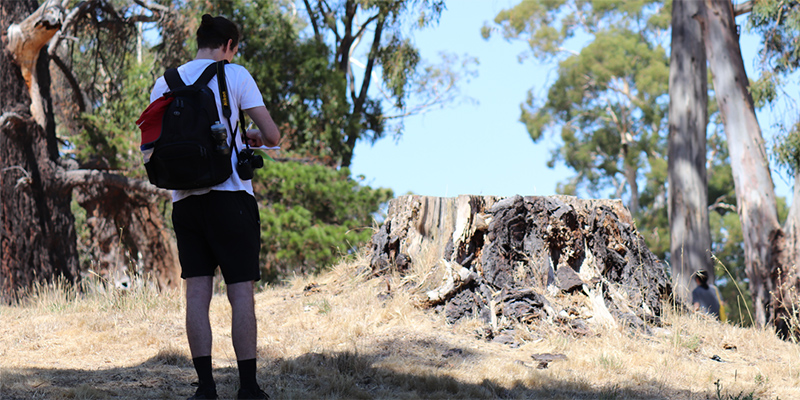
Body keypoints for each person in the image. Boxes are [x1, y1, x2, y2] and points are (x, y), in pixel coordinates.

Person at [148, 14, 280, 400]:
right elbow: (272, 136)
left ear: (199, 41)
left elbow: (151, 145)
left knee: (196, 296)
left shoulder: (165, 82)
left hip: (185, 202)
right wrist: (251, 137)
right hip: (232, 198)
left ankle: (205, 388)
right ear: (230, 45)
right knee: (240, 294)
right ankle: (248, 387)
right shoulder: (235, 75)